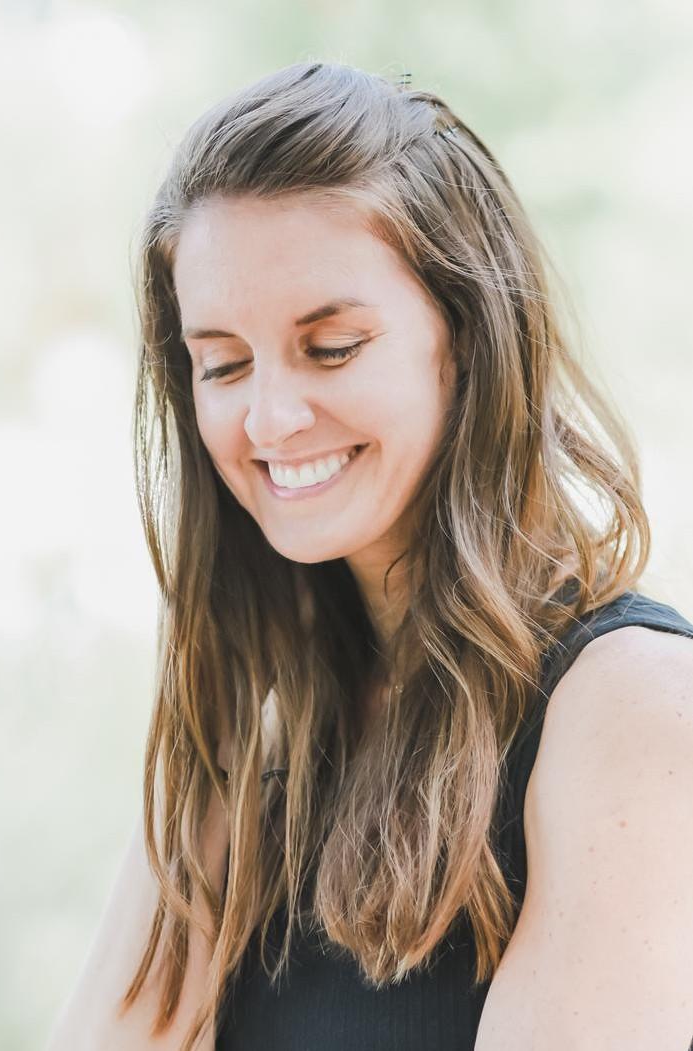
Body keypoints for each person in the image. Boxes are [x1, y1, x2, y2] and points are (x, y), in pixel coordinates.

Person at [49, 61, 693, 1051]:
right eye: (222, 363)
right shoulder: (258, 729)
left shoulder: (632, 708)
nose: (268, 418)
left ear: (466, 338)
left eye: (332, 347)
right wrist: (216, 730)